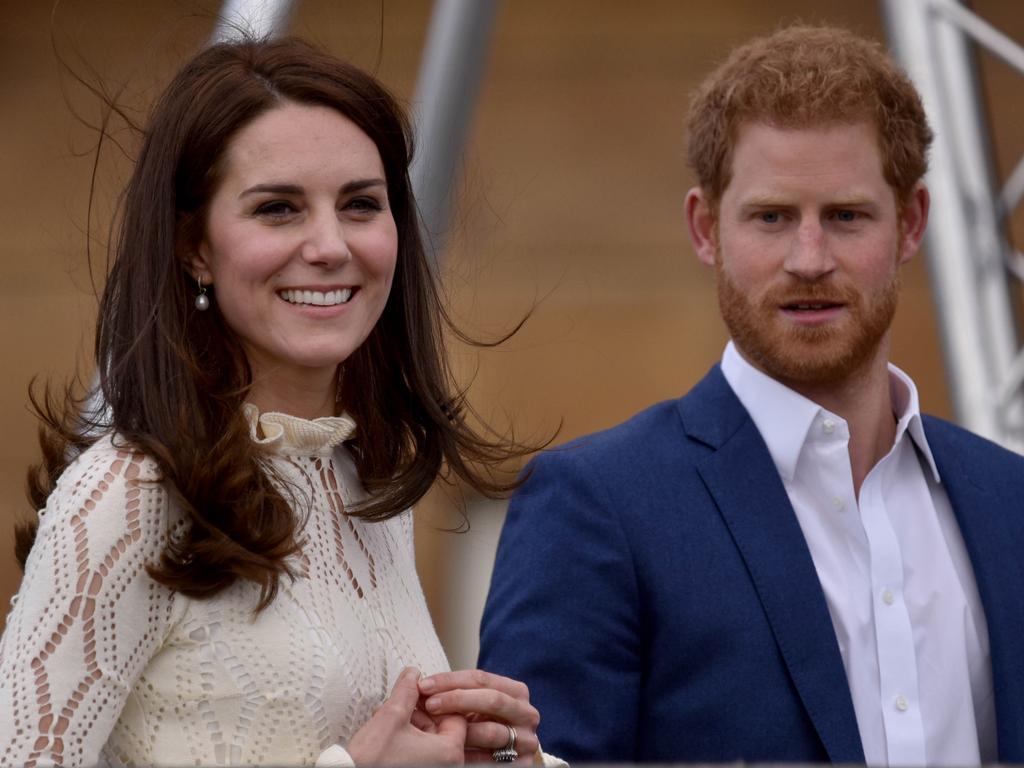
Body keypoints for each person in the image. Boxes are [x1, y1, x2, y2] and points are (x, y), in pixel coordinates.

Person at [0, 36, 561, 767]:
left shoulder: (364, 483)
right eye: (278, 209)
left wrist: (498, 757)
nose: (330, 245)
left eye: (361, 204)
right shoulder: (126, 494)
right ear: (194, 245)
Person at [479, 24, 1024, 765]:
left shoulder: (1009, 501)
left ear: (911, 224)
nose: (809, 259)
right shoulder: (596, 506)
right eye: (771, 217)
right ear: (706, 228)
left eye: (846, 216)